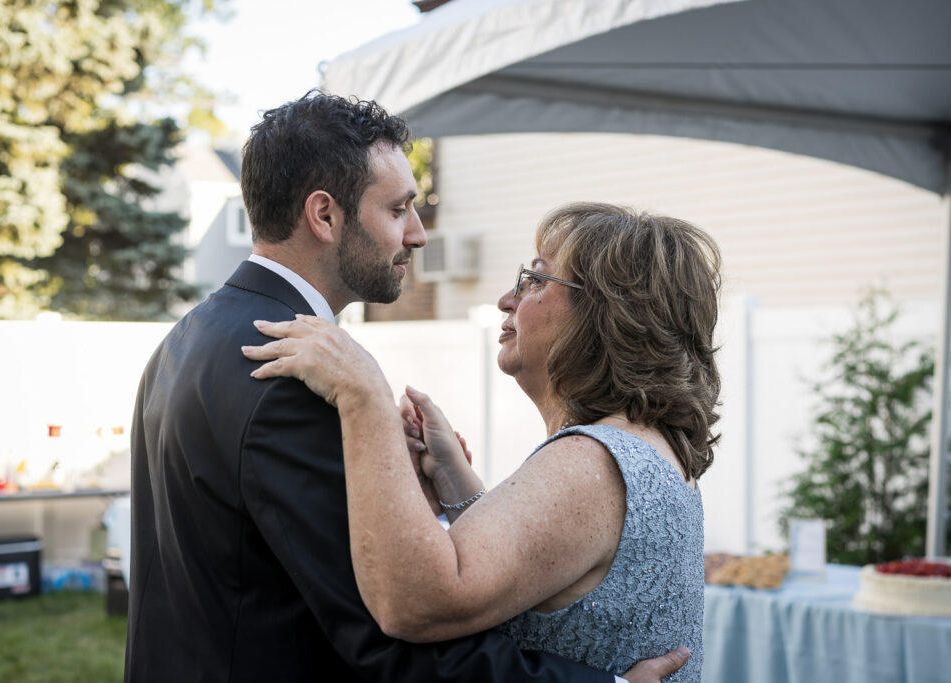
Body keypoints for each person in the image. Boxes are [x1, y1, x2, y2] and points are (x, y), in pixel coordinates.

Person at [126, 91, 687, 683]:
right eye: (398, 210)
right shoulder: (288, 375)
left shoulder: (190, 336)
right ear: (324, 215)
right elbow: (385, 634)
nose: (417, 235)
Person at [242, 202, 721, 681]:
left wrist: (364, 396)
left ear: (607, 313)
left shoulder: (590, 462)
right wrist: (455, 483)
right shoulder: (642, 448)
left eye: (536, 280)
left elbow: (413, 604)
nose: (506, 300)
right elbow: (550, 570)